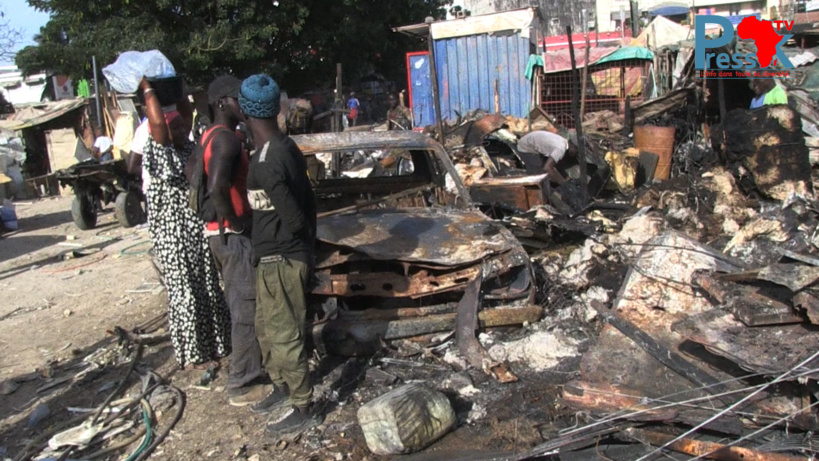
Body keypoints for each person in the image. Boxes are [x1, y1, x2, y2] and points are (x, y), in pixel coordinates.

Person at [239, 74, 320, 436]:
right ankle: (282, 387)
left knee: (285, 335)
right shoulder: (279, 148)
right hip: (274, 258)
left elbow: (295, 216)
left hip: (281, 260)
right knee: (268, 332)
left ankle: (304, 405)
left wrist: (297, 251)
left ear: (245, 110)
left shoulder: (269, 160)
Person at [139, 76, 231, 370]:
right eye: (173, 127)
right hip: (174, 237)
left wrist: (179, 88)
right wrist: (148, 89)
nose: (181, 129)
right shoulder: (158, 152)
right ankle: (194, 355)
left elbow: (186, 115)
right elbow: (158, 126)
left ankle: (217, 344)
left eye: (181, 126)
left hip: (195, 231)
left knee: (207, 285)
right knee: (186, 293)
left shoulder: (188, 148)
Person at [203, 75, 269, 406]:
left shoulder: (210, 137)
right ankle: (242, 382)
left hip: (219, 234)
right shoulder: (227, 140)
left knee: (242, 303)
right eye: (236, 99)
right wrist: (237, 222)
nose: (242, 106)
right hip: (231, 235)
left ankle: (251, 368)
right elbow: (215, 186)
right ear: (221, 103)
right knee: (245, 308)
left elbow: (193, 177)